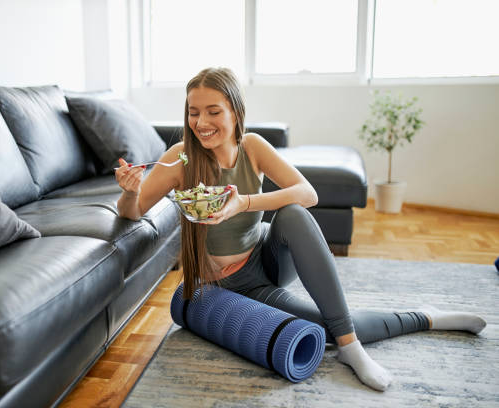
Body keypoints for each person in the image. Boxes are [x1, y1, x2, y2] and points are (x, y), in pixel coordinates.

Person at [115, 67, 486, 391]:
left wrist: (244, 203)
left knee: (292, 212)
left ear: (236, 112)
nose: (202, 122)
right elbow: (132, 211)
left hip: (267, 260)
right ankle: (427, 317)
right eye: (194, 112)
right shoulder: (180, 158)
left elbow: (307, 193)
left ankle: (351, 349)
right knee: (333, 324)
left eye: (214, 111)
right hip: (230, 284)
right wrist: (130, 192)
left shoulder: (254, 147)